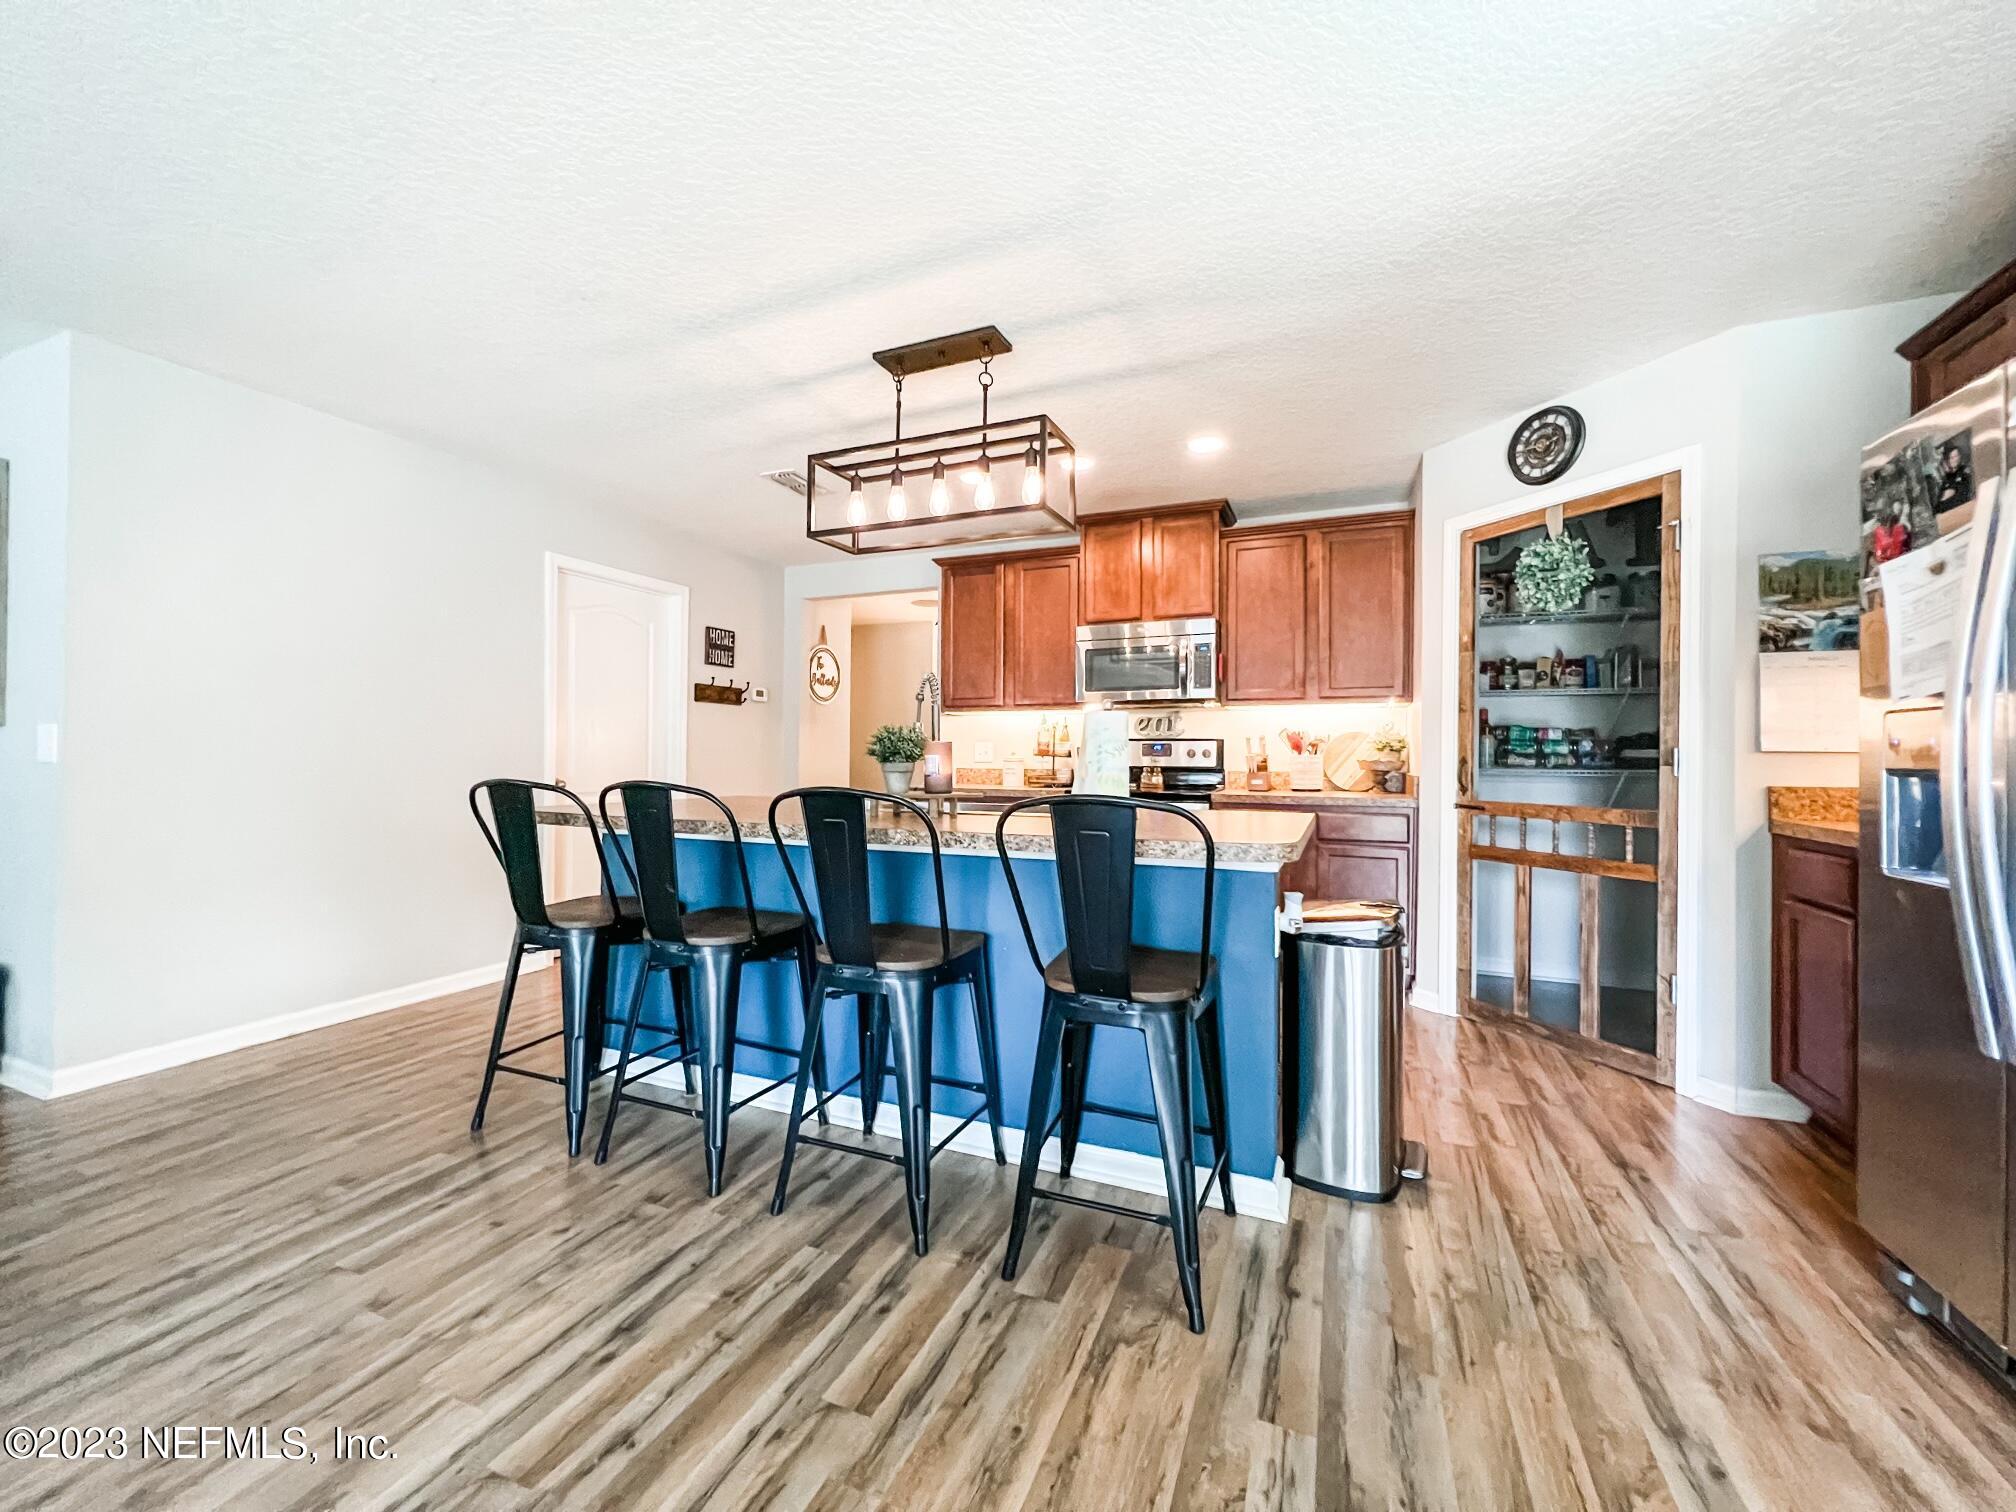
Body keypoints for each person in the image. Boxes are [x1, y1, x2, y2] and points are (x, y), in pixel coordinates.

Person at [1937, 441, 1975, 513]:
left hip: (1965, 510)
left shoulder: (1965, 471)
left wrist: (1952, 491)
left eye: (1957, 456)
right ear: (1946, 460)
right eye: (1952, 457)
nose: (1955, 459)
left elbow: (1964, 494)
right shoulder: (1945, 479)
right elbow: (1939, 503)